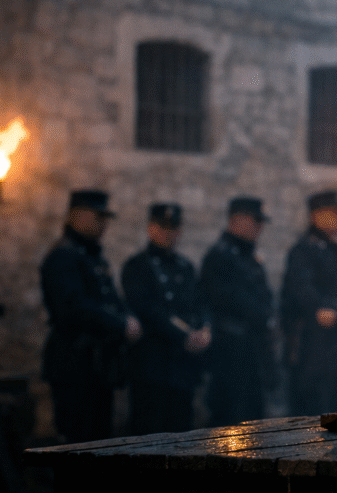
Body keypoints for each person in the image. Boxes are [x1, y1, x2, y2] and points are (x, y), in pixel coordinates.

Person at [40, 189, 142, 443]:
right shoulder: (63, 256)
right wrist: (120, 324)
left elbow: (111, 299)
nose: (103, 223)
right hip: (75, 363)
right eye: (98, 216)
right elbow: (74, 308)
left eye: (105, 217)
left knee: (98, 438)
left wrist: (128, 319)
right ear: (77, 215)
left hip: (97, 366)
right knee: (78, 440)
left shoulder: (91, 256)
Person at [121, 203, 210, 435]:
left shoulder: (185, 267)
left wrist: (204, 329)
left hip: (182, 366)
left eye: (174, 228)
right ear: (151, 228)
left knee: (181, 429)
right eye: (163, 227)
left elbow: (199, 302)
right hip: (152, 365)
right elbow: (146, 309)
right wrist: (184, 335)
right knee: (149, 430)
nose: (169, 234)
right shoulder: (138, 266)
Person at [280, 189, 337, 416]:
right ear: (316, 216)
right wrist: (328, 308)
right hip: (314, 348)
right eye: (333, 213)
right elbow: (303, 291)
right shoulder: (303, 252)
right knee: (314, 410)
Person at [196, 196, 275, 427]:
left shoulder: (251, 257)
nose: (259, 227)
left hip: (254, 351)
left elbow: (264, 296)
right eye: (255, 221)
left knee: (254, 420)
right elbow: (228, 300)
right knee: (230, 422)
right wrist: (262, 315)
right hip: (229, 352)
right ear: (237, 220)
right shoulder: (219, 257)